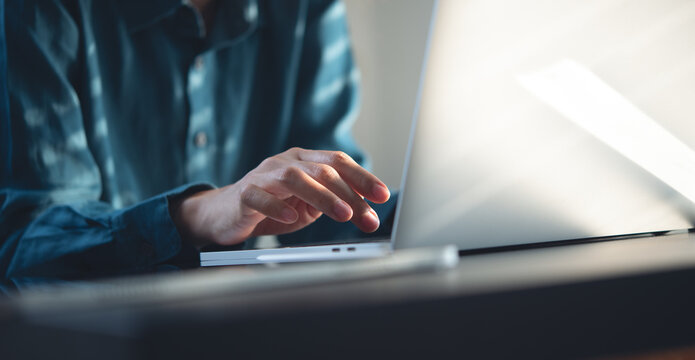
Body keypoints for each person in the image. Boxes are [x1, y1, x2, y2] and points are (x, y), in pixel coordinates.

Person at [0, 0, 395, 281]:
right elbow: (28, 246)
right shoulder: (38, 10)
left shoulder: (307, 8)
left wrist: (428, 211)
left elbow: (331, 217)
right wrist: (199, 214)